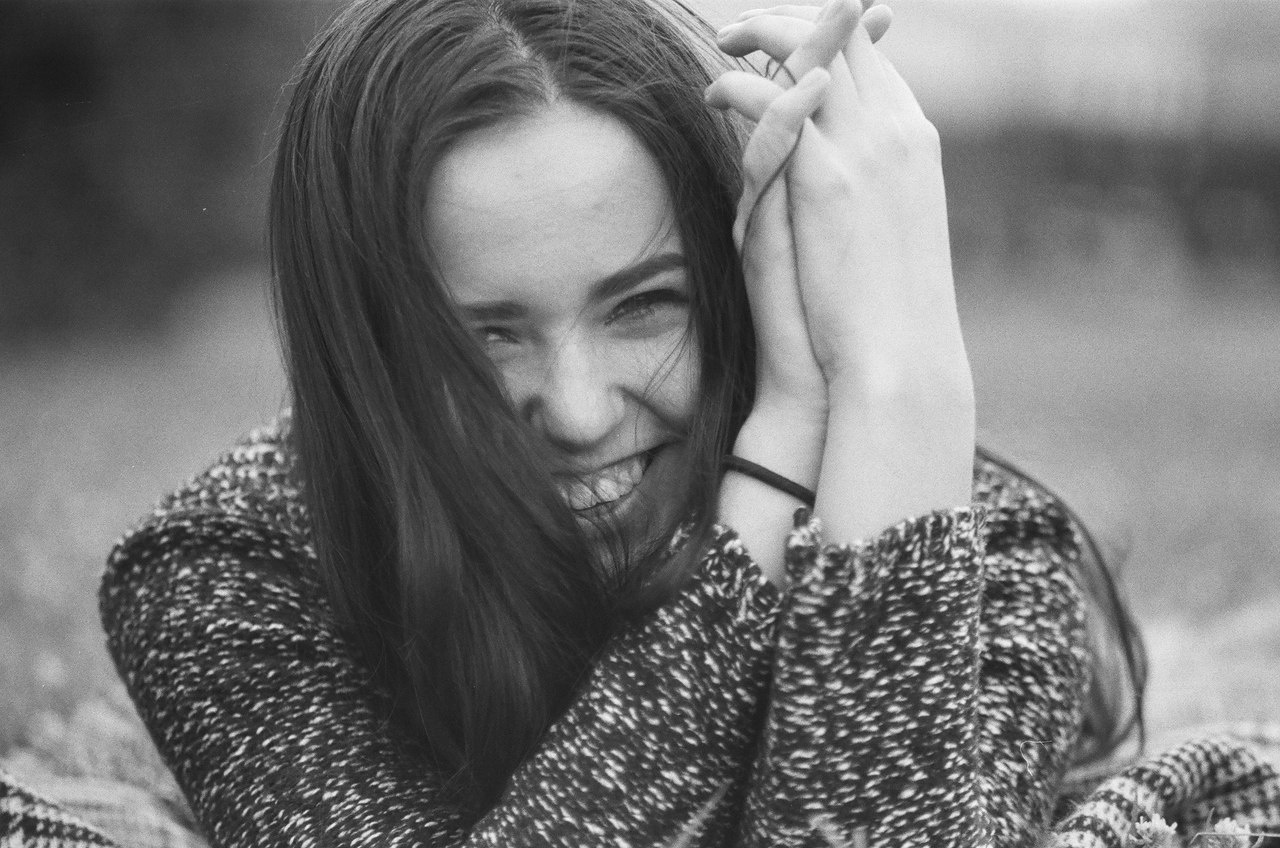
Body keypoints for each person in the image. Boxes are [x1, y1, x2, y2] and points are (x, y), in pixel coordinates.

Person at [4, 0, 1279, 846]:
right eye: (482, 334)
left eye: (643, 304)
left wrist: (901, 381)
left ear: (729, 278)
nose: (573, 409)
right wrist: (768, 480)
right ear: (364, 342)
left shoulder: (965, 542)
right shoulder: (228, 571)